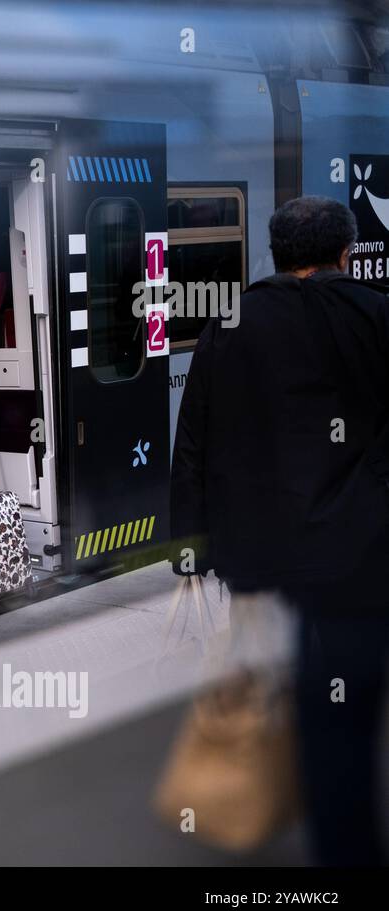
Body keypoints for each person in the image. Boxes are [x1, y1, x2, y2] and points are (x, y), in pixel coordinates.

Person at [170, 195, 389, 866]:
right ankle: (344, 841)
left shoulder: (230, 324)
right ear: (346, 252)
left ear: (275, 250)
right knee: (347, 706)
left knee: (278, 688)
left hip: (262, 559)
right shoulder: (378, 316)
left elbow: (195, 441)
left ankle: (283, 799)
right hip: (361, 556)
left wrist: (189, 550)